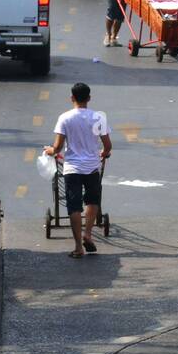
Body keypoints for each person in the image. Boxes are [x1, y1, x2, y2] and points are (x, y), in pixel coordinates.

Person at [45, 82, 112, 258]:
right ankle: (88, 234)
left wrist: (49, 150)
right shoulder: (98, 118)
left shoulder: (65, 118)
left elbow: (58, 147)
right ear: (89, 98)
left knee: (74, 206)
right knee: (92, 202)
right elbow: (107, 145)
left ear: (72, 98)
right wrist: (103, 153)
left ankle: (77, 247)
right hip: (91, 167)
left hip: (72, 169)